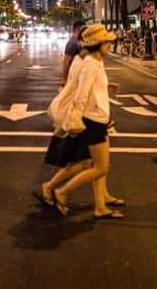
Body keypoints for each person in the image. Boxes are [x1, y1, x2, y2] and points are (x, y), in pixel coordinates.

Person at [51, 24, 124, 221]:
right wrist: (76, 119)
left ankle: (100, 206)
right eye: (106, 41)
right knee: (100, 167)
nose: (110, 44)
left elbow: (92, 89)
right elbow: (82, 95)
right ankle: (62, 192)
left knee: (100, 164)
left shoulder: (97, 61)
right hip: (92, 120)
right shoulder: (90, 63)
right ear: (97, 43)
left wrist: (106, 87)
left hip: (99, 118)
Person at [60, 19, 86, 87]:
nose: (85, 31)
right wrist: (64, 79)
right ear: (77, 28)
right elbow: (66, 61)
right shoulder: (72, 43)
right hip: (73, 76)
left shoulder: (79, 41)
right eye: (84, 29)